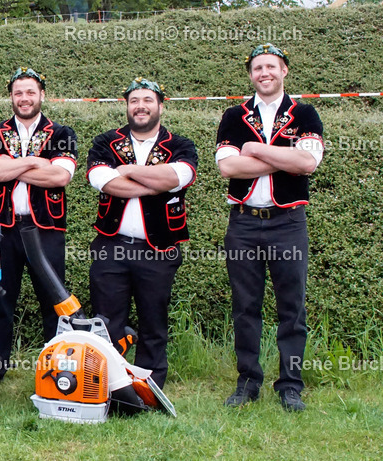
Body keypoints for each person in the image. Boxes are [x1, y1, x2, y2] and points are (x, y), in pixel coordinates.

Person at [216, 44, 323, 412]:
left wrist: (253, 149)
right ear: (251, 74)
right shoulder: (234, 115)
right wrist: (282, 157)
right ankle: (247, 383)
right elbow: (229, 169)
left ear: (284, 71)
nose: (265, 73)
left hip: (288, 223)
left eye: (271, 66)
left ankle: (290, 385)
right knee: (246, 306)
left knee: (291, 308)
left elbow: (307, 162)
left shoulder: (304, 113)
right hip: (244, 222)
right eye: (258, 67)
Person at [86, 78, 198, 387]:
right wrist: (154, 182)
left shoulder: (180, 144)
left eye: (147, 100)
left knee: (154, 322)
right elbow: (104, 182)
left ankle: (151, 386)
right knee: (107, 323)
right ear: (127, 106)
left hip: (160, 248)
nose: (140, 106)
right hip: (111, 246)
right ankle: (109, 384)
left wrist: (129, 170)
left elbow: (178, 178)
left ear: (161, 105)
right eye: (134, 100)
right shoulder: (105, 142)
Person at [0, 67, 77, 389]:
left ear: (41, 95)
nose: (24, 98)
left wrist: (11, 167)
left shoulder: (62, 133)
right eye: (18, 92)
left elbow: (60, 177)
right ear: (11, 96)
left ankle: (57, 368)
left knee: (54, 302)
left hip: (46, 229)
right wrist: (35, 162)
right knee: (1, 301)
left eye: (30, 92)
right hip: (3, 232)